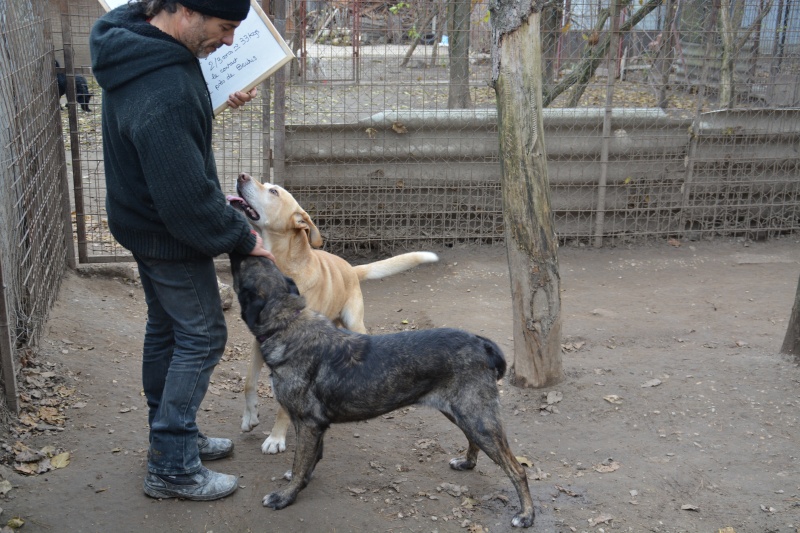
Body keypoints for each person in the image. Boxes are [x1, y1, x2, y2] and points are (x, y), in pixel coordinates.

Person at [90, 0, 274, 501]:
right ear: (188, 12)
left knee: (168, 327)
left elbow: (166, 132)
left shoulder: (136, 42)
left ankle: (171, 436)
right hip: (169, 231)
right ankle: (172, 466)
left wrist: (211, 95)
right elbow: (187, 200)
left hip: (140, 219)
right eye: (225, 27)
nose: (230, 41)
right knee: (203, 334)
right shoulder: (164, 88)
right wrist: (245, 239)